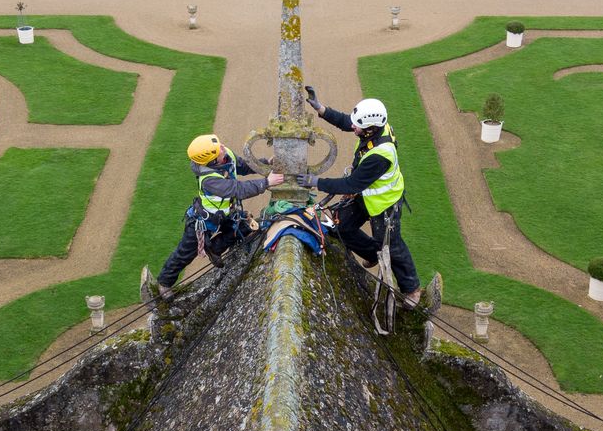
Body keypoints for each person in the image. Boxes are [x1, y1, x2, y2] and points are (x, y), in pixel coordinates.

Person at [298, 89, 421, 308]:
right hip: (367, 195)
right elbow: (348, 122)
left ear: (370, 129)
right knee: (341, 226)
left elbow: (351, 184)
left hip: (385, 203)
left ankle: (411, 289)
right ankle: (371, 253)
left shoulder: (380, 155)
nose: (353, 127)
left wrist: (316, 181)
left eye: (358, 126)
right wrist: (321, 109)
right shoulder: (374, 129)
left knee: (392, 246)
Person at [157, 133, 283, 297]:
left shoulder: (225, 155)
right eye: (218, 150)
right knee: (185, 253)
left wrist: (265, 163)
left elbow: (243, 166)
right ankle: (164, 283)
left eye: (220, 146)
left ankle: (215, 247)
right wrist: (266, 183)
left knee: (245, 227)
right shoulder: (209, 179)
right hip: (203, 221)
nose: (223, 148)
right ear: (212, 161)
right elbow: (237, 189)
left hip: (224, 215)